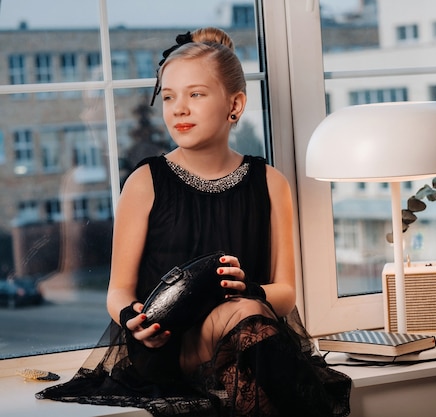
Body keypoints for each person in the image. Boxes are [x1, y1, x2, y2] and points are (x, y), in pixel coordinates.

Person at [37, 27, 351, 417]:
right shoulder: (145, 182)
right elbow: (117, 291)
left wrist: (251, 289)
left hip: (248, 335)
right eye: (168, 97)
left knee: (247, 327)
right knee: (253, 329)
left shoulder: (271, 183)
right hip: (166, 347)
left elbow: (286, 292)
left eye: (195, 94)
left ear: (235, 105)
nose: (178, 108)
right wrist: (133, 321)